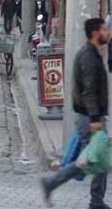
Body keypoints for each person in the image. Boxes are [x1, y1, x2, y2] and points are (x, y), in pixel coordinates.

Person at [41, 18, 110, 209]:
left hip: (91, 116)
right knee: (94, 159)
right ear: (96, 33)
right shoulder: (88, 56)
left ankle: (95, 200)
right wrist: (95, 119)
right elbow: (88, 91)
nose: (108, 32)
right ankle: (55, 184)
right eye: (105, 29)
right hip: (90, 118)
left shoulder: (92, 53)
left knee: (95, 159)